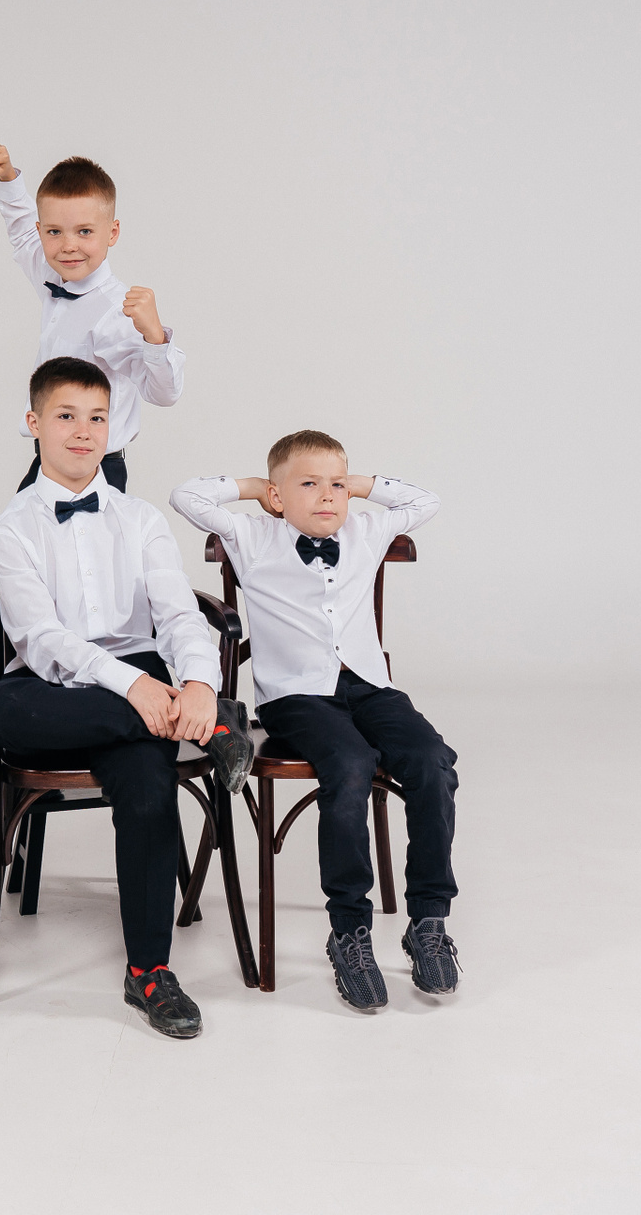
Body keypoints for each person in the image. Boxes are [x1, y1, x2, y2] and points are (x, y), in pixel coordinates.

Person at [0, 359, 254, 1039]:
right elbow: (42, 639)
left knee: (150, 789)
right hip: (55, 689)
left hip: (145, 683)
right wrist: (140, 691)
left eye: (97, 417)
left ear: (112, 427)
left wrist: (198, 683)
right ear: (34, 423)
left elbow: (180, 615)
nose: (83, 431)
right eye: (66, 416)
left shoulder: (140, 518)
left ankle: (149, 972)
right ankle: (214, 728)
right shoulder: (11, 529)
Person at [169, 431, 462, 1011]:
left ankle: (428, 920)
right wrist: (256, 489)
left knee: (433, 763)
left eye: (337, 485)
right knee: (350, 766)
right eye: (310, 484)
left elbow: (425, 501)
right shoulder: (253, 536)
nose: (328, 496)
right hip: (296, 697)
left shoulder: (365, 531)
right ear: (278, 497)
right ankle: (349, 930)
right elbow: (187, 496)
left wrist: (357, 485)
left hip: (370, 688)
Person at [0, 141, 187, 612]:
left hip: (95, 469)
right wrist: (8, 180)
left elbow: (163, 393)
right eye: (55, 232)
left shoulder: (117, 313)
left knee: (82, 594)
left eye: (85, 231)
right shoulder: (53, 275)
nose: (68, 245)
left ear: (112, 232)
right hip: (49, 462)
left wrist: (154, 335)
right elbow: (22, 231)